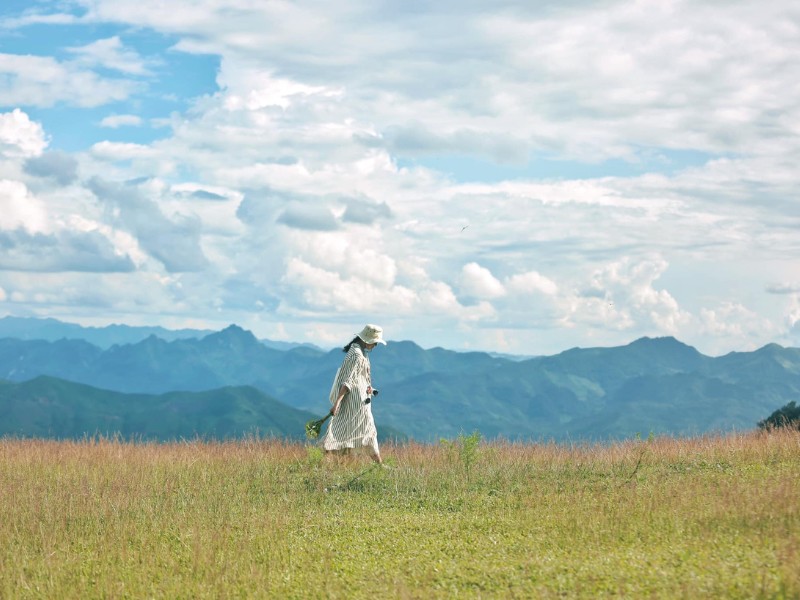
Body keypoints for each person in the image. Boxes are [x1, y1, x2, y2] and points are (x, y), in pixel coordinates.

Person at [320, 324, 386, 464]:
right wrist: (337, 402)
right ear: (367, 340)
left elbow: (360, 377)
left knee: (348, 431)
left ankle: (333, 462)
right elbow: (348, 380)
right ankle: (379, 465)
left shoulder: (361, 352)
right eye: (375, 342)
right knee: (366, 430)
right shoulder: (356, 354)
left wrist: (370, 389)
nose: (375, 345)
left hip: (360, 401)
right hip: (354, 402)